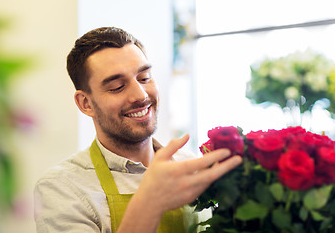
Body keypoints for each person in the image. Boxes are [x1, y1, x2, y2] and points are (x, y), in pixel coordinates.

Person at [34, 27, 242, 233]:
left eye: (144, 78)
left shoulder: (189, 165)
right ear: (86, 103)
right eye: (117, 86)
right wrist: (150, 200)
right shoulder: (62, 187)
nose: (140, 95)